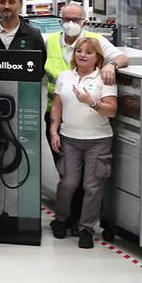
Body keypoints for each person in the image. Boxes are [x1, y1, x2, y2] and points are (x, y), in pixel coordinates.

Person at [48, 38, 117, 250]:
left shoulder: (105, 79)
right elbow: (57, 105)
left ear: (98, 57)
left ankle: (86, 228)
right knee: (68, 183)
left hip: (98, 140)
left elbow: (112, 110)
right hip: (70, 138)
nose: (82, 55)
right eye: (79, 51)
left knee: (92, 186)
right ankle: (60, 219)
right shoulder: (64, 77)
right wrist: (53, 131)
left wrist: (92, 102)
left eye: (88, 52)